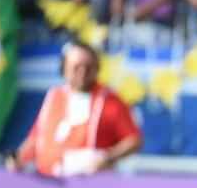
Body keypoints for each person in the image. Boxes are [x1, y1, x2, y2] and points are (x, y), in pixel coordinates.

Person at [9, 41, 142, 177]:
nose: (82, 73)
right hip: (48, 183)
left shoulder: (111, 101)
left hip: (89, 185)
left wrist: (107, 158)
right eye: (76, 67)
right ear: (64, 68)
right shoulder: (54, 96)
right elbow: (36, 137)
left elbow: (133, 140)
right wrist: (19, 158)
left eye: (88, 67)